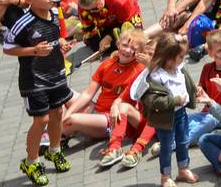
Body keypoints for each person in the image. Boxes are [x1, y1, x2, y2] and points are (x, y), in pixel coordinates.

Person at [3, 0, 74, 187]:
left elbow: (56, 36)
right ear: (29, 0)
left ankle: (54, 151)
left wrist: (62, 43)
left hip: (56, 74)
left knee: (58, 112)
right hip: (34, 80)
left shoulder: (53, 12)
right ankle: (31, 162)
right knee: (40, 120)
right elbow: (7, 49)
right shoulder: (22, 23)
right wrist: (33, 50)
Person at [60, 28, 153, 169]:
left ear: (140, 53)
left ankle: (58, 136)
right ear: (118, 44)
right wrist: (68, 112)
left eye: (133, 49)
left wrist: (69, 116)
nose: (127, 50)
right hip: (98, 109)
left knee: (71, 120)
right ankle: (62, 129)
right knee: (60, 93)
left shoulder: (139, 69)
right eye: (125, 45)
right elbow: (87, 94)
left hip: (112, 119)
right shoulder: (107, 64)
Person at [131, 32, 198, 187]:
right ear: (168, 57)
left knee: (183, 141)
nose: (183, 60)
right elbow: (153, 101)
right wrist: (175, 100)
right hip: (165, 119)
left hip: (180, 114)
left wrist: (194, 91)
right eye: (180, 56)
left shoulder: (177, 69)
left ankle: (183, 168)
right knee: (166, 147)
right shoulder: (155, 77)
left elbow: (186, 83)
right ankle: (165, 176)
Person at [186, 27, 221, 146]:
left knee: (209, 121)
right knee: (183, 120)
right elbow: (202, 90)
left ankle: (179, 144)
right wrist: (197, 91)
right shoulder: (207, 68)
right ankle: (198, 135)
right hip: (206, 113)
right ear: (211, 53)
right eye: (219, 51)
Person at [75, 0, 144, 57]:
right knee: (98, 46)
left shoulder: (120, 1)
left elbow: (126, 22)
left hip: (128, 17)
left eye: (94, 8)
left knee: (133, 41)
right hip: (106, 20)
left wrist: (109, 37)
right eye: (88, 10)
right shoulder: (83, 7)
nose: (91, 12)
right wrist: (97, 49)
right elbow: (89, 29)